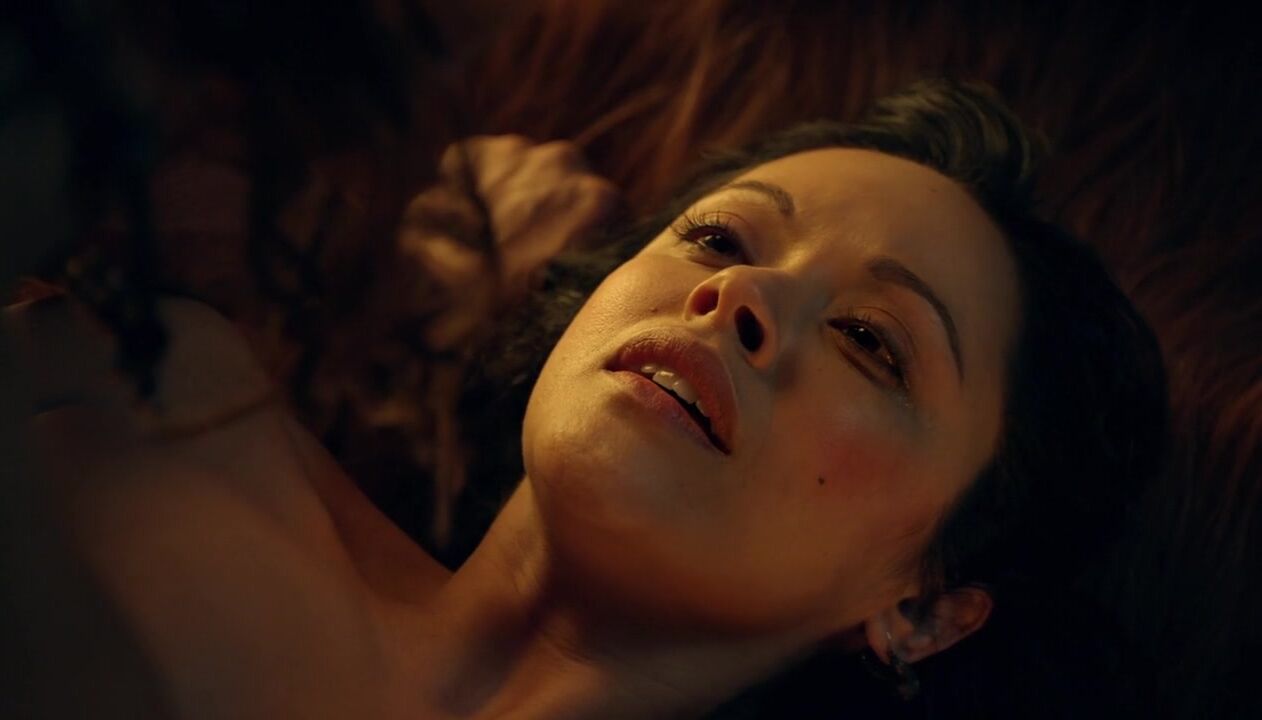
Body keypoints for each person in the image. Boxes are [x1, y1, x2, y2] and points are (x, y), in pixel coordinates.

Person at [5, 79, 1167, 718]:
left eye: (870, 341)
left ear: (923, 610)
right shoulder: (149, 396)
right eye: (716, 237)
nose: (739, 292)